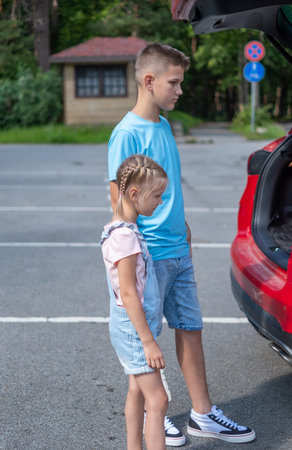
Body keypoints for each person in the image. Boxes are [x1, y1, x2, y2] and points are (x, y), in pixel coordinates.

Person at [107, 42, 256, 446]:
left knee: (190, 328)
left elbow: (163, 189)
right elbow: (117, 198)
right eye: (174, 82)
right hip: (150, 254)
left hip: (177, 248)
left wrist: (184, 225)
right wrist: (135, 250)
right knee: (146, 339)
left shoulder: (165, 126)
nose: (180, 90)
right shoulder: (126, 133)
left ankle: (203, 415)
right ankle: (146, 421)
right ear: (149, 80)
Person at [101, 154, 170, 450]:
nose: (159, 202)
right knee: (159, 400)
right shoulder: (125, 238)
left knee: (137, 391)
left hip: (133, 328)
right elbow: (128, 293)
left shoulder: (120, 229)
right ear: (133, 194)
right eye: (156, 196)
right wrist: (148, 341)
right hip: (134, 331)